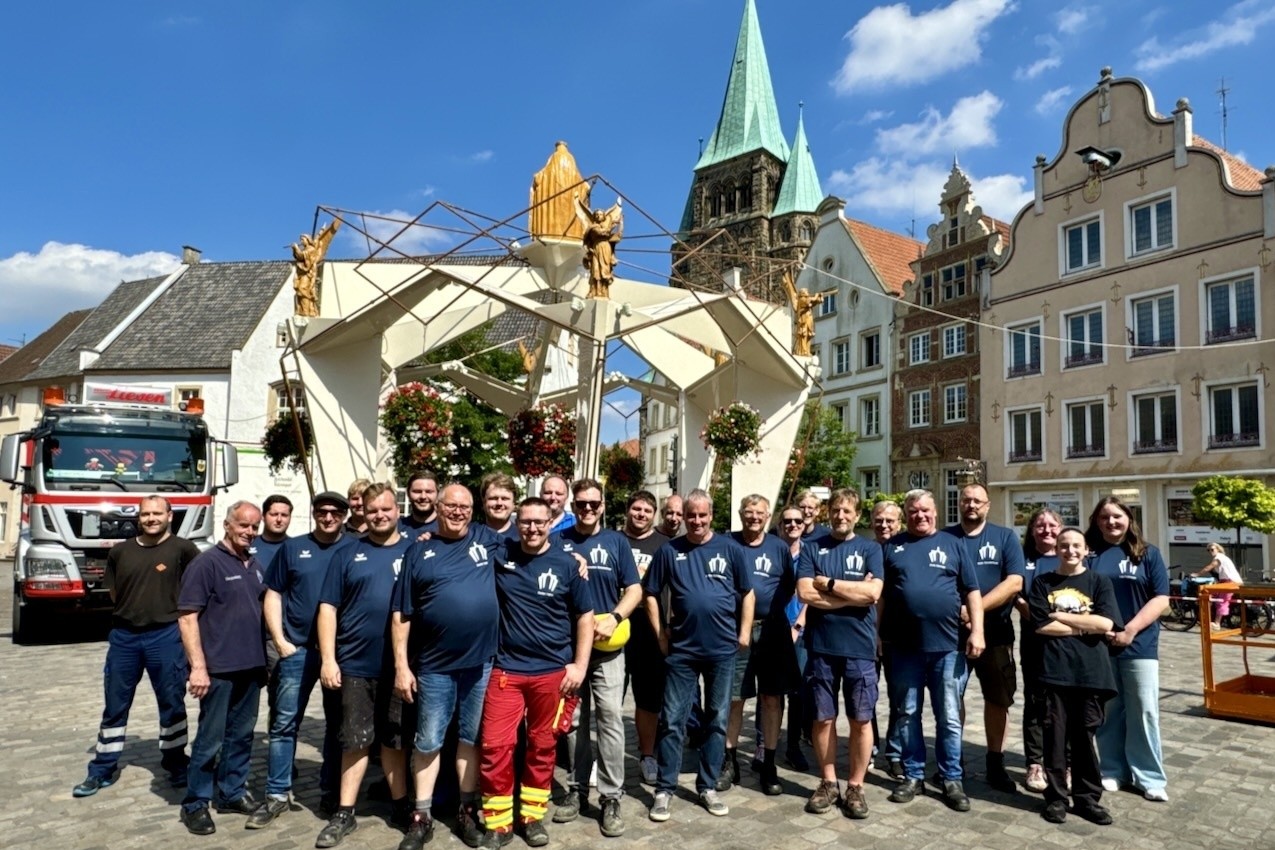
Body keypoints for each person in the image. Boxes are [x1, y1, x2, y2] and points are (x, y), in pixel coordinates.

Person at [479, 497, 595, 849]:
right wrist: (423, 537)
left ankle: (531, 817)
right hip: (506, 670)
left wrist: (579, 665)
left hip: (553, 673)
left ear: (550, 523)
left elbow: (585, 617)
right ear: (517, 523)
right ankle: (498, 824)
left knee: (542, 747)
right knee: (495, 746)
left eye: (539, 522)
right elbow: (461, 537)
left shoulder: (567, 564)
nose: (531, 528)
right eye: (525, 522)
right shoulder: (500, 555)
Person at [392, 484, 501, 849]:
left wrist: (574, 558)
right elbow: (402, 614)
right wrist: (401, 667)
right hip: (434, 667)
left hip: (479, 665)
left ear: (473, 510)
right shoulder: (419, 550)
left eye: (465, 507)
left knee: (471, 740)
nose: (458, 512)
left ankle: (467, 810)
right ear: (437, 508)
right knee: (428, 742)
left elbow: (535, 545)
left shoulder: (487, 540)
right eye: (451, 506)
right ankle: (420, 816)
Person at [73, 495, 201, 797]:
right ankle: (102, 769)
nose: (151, 518)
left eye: (157, 513)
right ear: (138, 517)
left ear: (170, 515)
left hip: (166, 636)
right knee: (115, 706)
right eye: (145, 514)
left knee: (171, 704)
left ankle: (175, 763)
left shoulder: (184, 549)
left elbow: (196, 591)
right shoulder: (120, 551)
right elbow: (115, 593)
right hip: (124, 638)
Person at [312, 483, 414, 847]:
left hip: (401, 667)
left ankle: (402, 804)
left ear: (397, 510)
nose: (380, 516)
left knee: (395, 740)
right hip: (355, 663)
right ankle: (345, 811)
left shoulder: (416, 548)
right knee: (354, 741)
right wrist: (328, 659)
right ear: (363, 513)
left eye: (386, 509)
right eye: (373, 511)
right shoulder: (346, 552)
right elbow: (327, 608)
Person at [644, 489, 754, 822]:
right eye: (690, 515)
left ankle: (707, 786)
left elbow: (747, 592)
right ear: (683, 516)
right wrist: (661, 632)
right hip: (682, 651)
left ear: (712, 515)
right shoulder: (669, 551)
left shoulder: (730, 549)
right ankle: (665, 788)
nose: (696, 521)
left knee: (717, 719)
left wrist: (745, 632)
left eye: (702, 515)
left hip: (722, 650)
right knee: (673, 721)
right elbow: (650, 593)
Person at [254, 491, 354, 826]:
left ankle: (331, 792)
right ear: (313, 513)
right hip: (298, 650)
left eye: (335, 513)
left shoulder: (354, 547)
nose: (328, 518)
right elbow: (273, 593)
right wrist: (280, 641)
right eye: (322, 512)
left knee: (337, 726)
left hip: (339, 655)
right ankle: (277, 793)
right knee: (284, 724)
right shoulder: (293, 548)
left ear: (344, 515)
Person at [881, 489, 984, 813]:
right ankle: (913, 775)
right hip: (903, 648)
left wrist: (978, 631)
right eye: (913, 511)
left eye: (925, 510)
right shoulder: (891, 547)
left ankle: (951, 777)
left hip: (947, 648)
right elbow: (881, 596)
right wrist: (876, 635)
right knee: (908, 714)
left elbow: (972, 591)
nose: (919, 515)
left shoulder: (954, 544)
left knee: (949, 717)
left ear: (936, 512)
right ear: (906, 514)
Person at [552, 479, 642, 837]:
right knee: (574, 722)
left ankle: (610, 796)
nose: (587, 509)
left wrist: (616, 617)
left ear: (603, 505)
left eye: (593, 504)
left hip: (608, 649)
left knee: (609, 720)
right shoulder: (558, 541)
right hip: (571, 649)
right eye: (581, 504)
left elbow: (634, 589)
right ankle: (576, 789)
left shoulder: (617, 542)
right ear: (573, 506)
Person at [176, 501, 268, 835]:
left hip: (251, 666)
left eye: (254, 526)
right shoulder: (207, 564)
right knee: (210, 739)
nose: (250, 532)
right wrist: (198, 667)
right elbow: (187, 618)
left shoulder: (255, 564)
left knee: (241, 736)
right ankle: (196, 803)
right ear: (227, 525)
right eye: (243, 525)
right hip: (218, 669)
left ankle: (231, 792)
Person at [1027, 527, 1123, 826]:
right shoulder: (1043, 582)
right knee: (1054, 739)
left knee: (1084, 738)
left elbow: (1107, 621)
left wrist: (1063, 617)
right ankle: (1056, 798)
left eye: (1076, 545)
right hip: (1054, 671)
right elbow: (1041, 625)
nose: (1070, 550)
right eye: (1064, 545)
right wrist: (1086, 626)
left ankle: (1086, 798)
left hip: (1090, 673)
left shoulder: (1098, 581)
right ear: (1056, 549)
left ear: (1086, 550)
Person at [796, 489, 882, 819]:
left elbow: (873, 593)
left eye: (847, 511)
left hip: (859, 648)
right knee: (823, 717)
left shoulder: (870, 548)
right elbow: (804, 591)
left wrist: (829, 584)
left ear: (857, 516)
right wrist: (853, 594)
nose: (840, 516)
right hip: (821, 646)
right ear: (826, 513)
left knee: (861, 719)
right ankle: (828, 781)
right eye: (835, 510)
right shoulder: (812, 547)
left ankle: (856, 786)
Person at [1087, 496, 1171, 802]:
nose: (1111, 522)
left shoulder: (1147, 554)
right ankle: (1112, 770)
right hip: (1101, 643)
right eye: (1104, 517)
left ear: (1129, 519)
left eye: (1117, 517)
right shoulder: (1091, 553)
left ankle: (1149, 776)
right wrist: (1104, 630)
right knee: (1109, 710)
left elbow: (1161, 598)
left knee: (1144, 710)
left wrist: (1130, 629)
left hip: (1140, 645)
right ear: (1096, 522)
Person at [947, 483, 1026, 794]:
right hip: (953, 634)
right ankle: (955, 761)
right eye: (966, 500)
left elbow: (1014, 582)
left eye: (977, 501)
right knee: (952, 700)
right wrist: (960, 611)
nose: (971, 505)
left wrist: (973, 608)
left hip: (996, 633)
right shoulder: (945, 538)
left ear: (988, 505)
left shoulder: (1005, 537)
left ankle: (995, 760)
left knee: (997, 700)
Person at [723, 494, 798, 797]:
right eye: (748, 512)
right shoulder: (728, 543)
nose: (754, 517)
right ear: (740, 514)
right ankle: (729, 760)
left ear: (768, 516)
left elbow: (789, 586)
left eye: (760, 513)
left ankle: (768, 762)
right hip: (733, 630)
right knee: (734, 697)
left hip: (771, 630)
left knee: (771, 698)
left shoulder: (778, 547)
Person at [620, 490, 669, 784]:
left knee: (648, 699)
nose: (641, 514)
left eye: (647, 511)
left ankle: (648, 755)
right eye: (636, 509)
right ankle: (606, 755)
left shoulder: (664, 545)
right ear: (628, 510)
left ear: (654, 515)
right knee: (610, 698)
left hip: (650, 629)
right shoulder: (614, 541)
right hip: (614, 627)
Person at [1017, 508, 1062, 793]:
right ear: (1032, 530)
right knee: (1035, 701)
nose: (1047, 530)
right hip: (1033, 639)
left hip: (1069, 642)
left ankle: (1063, 762)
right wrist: (1030, 612)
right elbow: (1015, 594)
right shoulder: (1023, 560)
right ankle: (1035, 761)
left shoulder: (1070, 555)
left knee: (1065, 704)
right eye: (1040, 525)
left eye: (1052, 525)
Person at [775, 505, 811, 771]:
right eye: (787, 521)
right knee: (771, 692)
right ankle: (765, 747)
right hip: (773, 629)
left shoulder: (810, 552)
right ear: (780, 524)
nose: (793, 525)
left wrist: (798, 625)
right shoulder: (772, 550)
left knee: (797, 692)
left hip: (799, 629)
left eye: (797, 520)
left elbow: (812, 592)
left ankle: (793, 746)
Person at [870, 500, 904, 779]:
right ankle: (869, 746)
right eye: (879, 520)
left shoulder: (906, 550)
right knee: (865, 697)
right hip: (865, 635)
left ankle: (894, 752)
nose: (884, 525)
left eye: (890, 520)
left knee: (900, 698)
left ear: (899, 523)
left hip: (899, 635)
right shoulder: (864, 549)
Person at [1194, 542, 1243, 629]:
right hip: (1225, 581)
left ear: (1218, 549)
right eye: (1208, 550)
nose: (1210, 551)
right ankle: (1206, 618)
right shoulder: (1223, 558)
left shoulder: (1219, 557)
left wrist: (1197, 574)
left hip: (1230, 582)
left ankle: (1217, 623)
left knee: (1221, 600)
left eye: (1212, 549)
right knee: (1210, 595)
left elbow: (1210, 567)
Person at [251, 495, 293, 570]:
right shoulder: (248, 545)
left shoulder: (296, 547)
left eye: (284, 515)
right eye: (274, 514)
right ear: (263, 516)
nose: (279, 519)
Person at [401, 471, 440, 535]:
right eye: (417, 491)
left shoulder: (447, 529)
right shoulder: (397, 528)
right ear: (408, 494)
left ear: (438, 494)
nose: (423, 496)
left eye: (429, 491)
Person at [481, 472, 519, 538]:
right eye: (493, 498)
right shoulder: (468, 534)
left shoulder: (523, 539)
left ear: (514, 503)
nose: (499, 503)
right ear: (484, 502)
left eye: (504, 499)